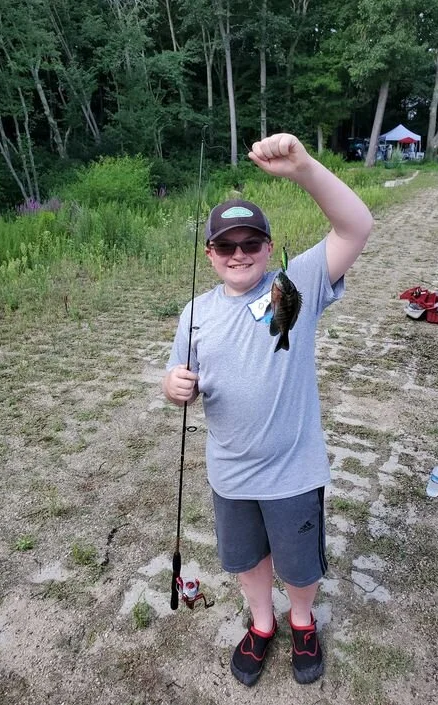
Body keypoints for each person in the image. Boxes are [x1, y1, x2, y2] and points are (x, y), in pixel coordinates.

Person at [162, 133, 373, 687]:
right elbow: (179, 374)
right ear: (209, 254)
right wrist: (173, 385)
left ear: (268, 246)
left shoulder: (293, 284)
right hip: (230, 472)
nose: (239, 254)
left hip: (293, 471)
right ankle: (262, 623)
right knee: (247, 560)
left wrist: (305, 170)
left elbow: (356, 227)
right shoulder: (195, 313)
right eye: (226, 245)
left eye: (251, 243)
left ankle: (301, 620)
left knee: (299, 565)